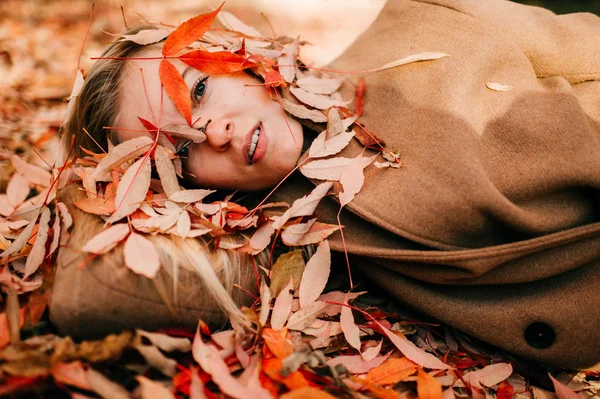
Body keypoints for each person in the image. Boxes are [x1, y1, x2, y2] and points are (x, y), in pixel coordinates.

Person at [51, 0, 600, 369]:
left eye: (196, 92)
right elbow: (85, 297)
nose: (211, 130)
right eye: (178, 151)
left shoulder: (423, 23)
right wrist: (97, 185)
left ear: (235, 58)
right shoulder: (287, 234)